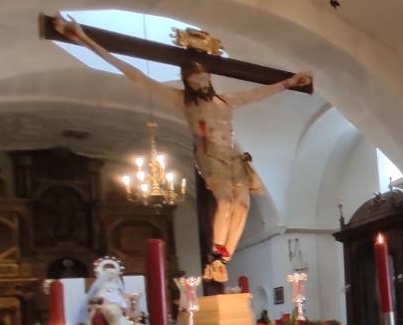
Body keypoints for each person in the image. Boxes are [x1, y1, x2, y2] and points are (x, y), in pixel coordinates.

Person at [53, 16, 310, 283]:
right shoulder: (183, 101)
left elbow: (258, 93)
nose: (197, 81)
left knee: (243, 205)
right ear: (186, 80)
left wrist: (290, 82)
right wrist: (84, 39)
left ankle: (223, 259)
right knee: (224, 201)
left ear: (208, 75)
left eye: (200, 75)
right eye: (191, 77)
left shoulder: (226, 101)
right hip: (210, 155)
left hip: (233, 156)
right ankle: (216, 253)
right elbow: (135, 74)